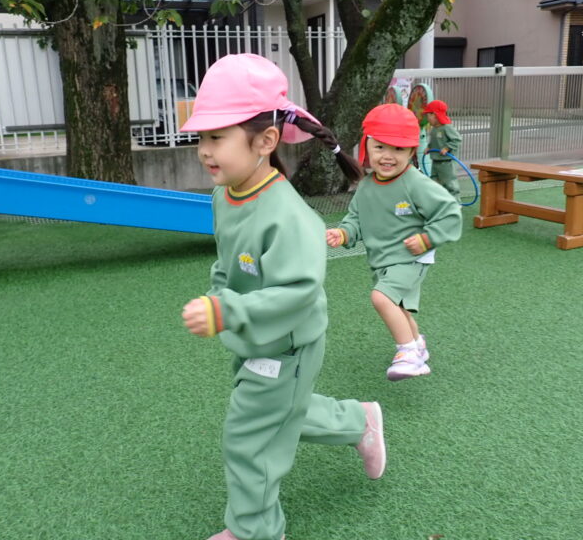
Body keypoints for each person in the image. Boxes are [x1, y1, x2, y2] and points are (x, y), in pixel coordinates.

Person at [180, 53, 383, 540]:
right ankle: (358, 421)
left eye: (217, 137)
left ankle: (256, 531)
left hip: (287, 345)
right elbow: (227, 262)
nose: (205, 151)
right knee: (283, 411)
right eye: (201, 138)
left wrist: (227, 309)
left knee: (249, 439)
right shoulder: (225, 194)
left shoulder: (289, 218)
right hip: (257, 337)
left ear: (266, 141)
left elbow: (298, 292)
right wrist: (220, 296)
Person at [326, 103, 462, 381]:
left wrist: (427, 239)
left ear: (412, 152)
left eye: (398, 149)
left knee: (381, 297)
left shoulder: (415, 183)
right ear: (366, 147)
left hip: (411, 257)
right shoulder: (367, 185)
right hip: (383, 260)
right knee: (397, 305)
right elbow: (356, 218)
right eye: (380, 147)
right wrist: (344, 233)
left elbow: (450, 212)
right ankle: (418, 345)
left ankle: (408, 353)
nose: (388, 156)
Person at [422, 99, 462, 201]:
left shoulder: (446, 127)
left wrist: (447, 148)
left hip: (446, 162)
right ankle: (438, 201)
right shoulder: (434, 129)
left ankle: (455, 202)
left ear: (435, 115)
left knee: (449, 182)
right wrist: (429, 147)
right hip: (436, 160)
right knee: (434, 181)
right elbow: (433, 141)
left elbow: (457, 139)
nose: (427, 118)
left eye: (429, 115)